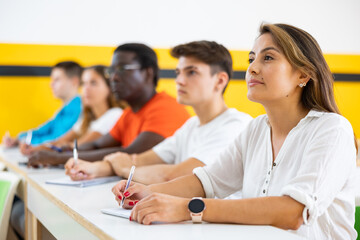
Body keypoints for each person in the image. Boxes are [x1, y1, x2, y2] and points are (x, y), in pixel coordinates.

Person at [111, 24, 358, 240]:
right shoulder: (256, 129)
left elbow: (292, 212)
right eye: (252, 59)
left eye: (268, 58)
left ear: (303, 74)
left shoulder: (331, 129)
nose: (252, 68)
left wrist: (189, 208)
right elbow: (208, 181)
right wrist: (146, 191)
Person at [64, 41, 252, 185]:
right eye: (178, 72)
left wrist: (124, 168)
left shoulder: (234, 126)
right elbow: (140, 160)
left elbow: (176, 175)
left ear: (220, 81)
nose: (179, 80)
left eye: (191, 72)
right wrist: (92, 168)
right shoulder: (191, 126)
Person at [26, 43, 190, 167]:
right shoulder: (129, 113)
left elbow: (131, 153)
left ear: (148, 73)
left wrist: (58, 158)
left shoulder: (166, 108)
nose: (114, 78)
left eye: (122, 69)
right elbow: (97, 145)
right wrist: (58, 150)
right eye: (111, 71)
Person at [21, 65, 123, 156]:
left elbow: (77, 146)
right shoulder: (86, 118)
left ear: (109, 88)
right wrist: (35, 149)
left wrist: (41, 150)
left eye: (93, 83)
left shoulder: (115, 114)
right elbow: (60, 141)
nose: (86, 89)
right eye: (83, 83)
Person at [2, 61, 82, 148]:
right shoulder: (64, 109)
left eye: (57, 80)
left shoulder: (79, 110)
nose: (51, 84)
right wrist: (19, 139)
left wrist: (25, 141)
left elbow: (56, 140)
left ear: (74, 81)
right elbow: (43, 130)